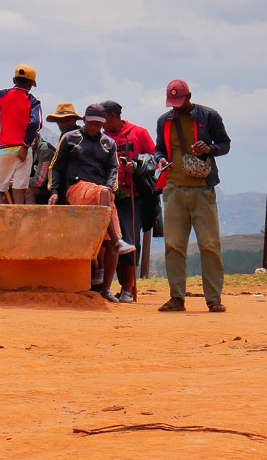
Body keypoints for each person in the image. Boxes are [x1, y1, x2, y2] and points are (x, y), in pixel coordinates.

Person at [155, 80, 231, 313]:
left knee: (209, 244)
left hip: (202, 189)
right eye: (173, 103)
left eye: (181, 102)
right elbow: (160, 147)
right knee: (173, 245)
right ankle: (177, 298)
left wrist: (209, 148)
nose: (177, 107)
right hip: (174, 187)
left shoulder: (209, 116)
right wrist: (160, 158)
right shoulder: (164, 121)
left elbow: (225, 145)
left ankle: (213, 299)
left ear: (189, 97)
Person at [48, 102, 134, 302]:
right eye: (91, 123)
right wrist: (54, 191)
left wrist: (111, 188)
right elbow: (56, 166)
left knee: (111, 235)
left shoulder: (108, 144)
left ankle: (106, 289)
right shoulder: (71, 139)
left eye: (98, 124)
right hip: (77, 188)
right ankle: (117, 241)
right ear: (85, 121)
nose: (95, 127)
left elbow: (114, 169)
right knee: (115, 235)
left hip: (102, 194)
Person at [102, 100, 156, 303]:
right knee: (112, 242)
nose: (101, 122)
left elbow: (154, 158)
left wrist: (137, 166)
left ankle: (127, 289)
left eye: (104, 118)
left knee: (131, 240)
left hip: (133, 194)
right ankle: (121, 286)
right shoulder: (102, 136)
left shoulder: (139, 132)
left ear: (113, 116)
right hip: (109, 196)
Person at [0, 65, 43, 205]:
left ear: (14, 79)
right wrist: (25, 145)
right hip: (24, 151)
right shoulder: (33, 101)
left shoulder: (0, 95)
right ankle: (18, 223)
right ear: (30, 84)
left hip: (3, 149)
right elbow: (36, 123)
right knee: (19, 189)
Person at [30, 103, 80, 203]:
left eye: (67, 120)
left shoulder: (80, 138)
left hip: (77, 182)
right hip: (63, 183)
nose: (64, 124)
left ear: (74, 120)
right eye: (60, 121)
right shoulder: (64, 136)